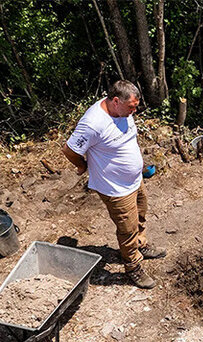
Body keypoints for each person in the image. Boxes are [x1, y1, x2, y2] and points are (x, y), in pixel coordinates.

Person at [62, 80, 165, 289]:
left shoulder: (122, 111)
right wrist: (82, 166)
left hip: (134, 180)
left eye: (135, 107)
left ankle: (140, 245)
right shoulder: (93, 124)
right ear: (116, 101)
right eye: (131, 107)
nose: (134, 111)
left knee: (140, 215)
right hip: (115, 188)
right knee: (127, 228)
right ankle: (133, 266)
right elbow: (69, 150)